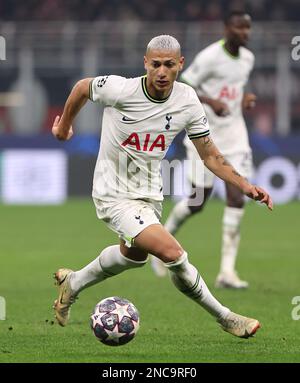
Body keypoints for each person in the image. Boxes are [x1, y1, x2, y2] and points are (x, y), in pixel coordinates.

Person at [52, 35, 272, 339]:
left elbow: (211, 156)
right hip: (113, 194)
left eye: (169, 64)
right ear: (146, 63)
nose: (162, 71)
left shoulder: (187, 100)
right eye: (155, 64)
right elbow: (82, 88)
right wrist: (64, 126)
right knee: (173, 253)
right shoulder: (121, 89)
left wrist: (246, 185)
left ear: (180, 64)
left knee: (133, 257)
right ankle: (226, 317)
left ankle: (73, 284)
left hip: (149, 195)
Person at [152, 12, 257, 288]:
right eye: (239, 27)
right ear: (226, 28)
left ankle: (226, 272)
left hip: (235, 137)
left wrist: (244, 98)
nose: (244, 32)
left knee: (238, 196)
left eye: (247, 27)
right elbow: (183, 85)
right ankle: (162, 243)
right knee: (198, 201)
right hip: (204, 137)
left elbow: (237, 87)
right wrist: (211, 102)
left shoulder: (248, 58)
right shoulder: (210, 57)